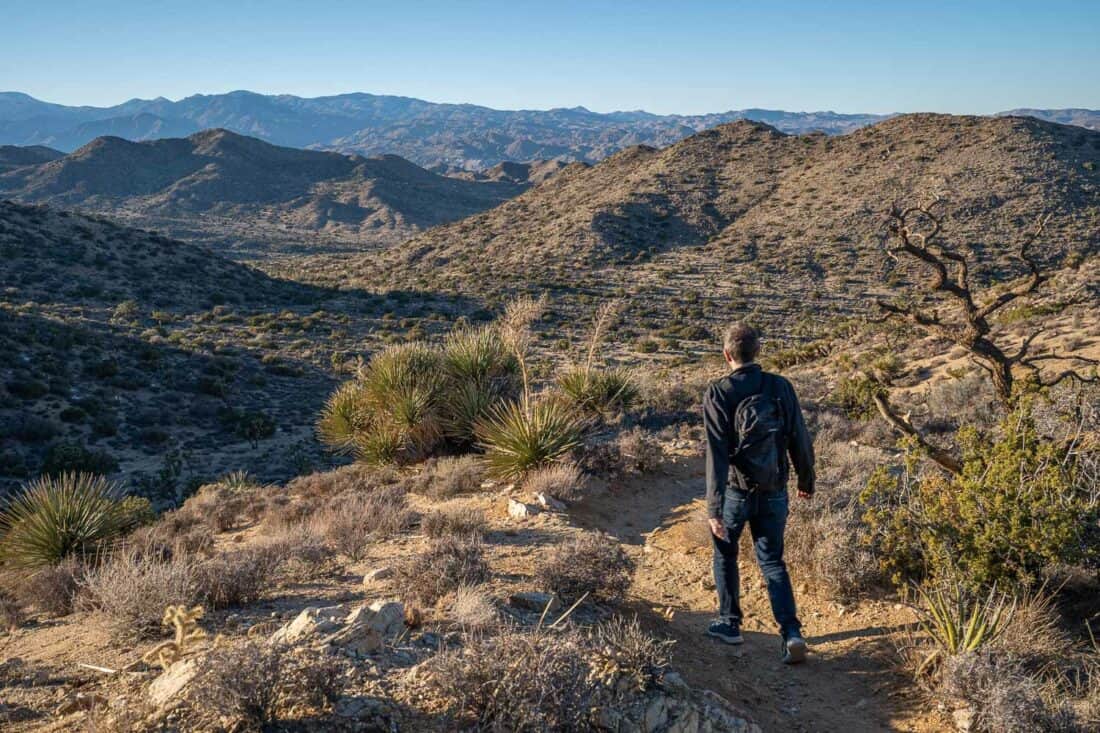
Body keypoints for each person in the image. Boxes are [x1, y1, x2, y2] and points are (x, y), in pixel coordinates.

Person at [703, 322, 815, 664]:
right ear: (758, 352)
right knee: (771, 561)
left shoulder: (719, 392)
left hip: (736, 491)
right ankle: (791, 632)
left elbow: (716, 454)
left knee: (725, 553)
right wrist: (806, 480)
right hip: (774, 489)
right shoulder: (780, 386)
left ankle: (730, 622)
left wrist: (714, 507)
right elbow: (799, 436)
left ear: (726, 355)